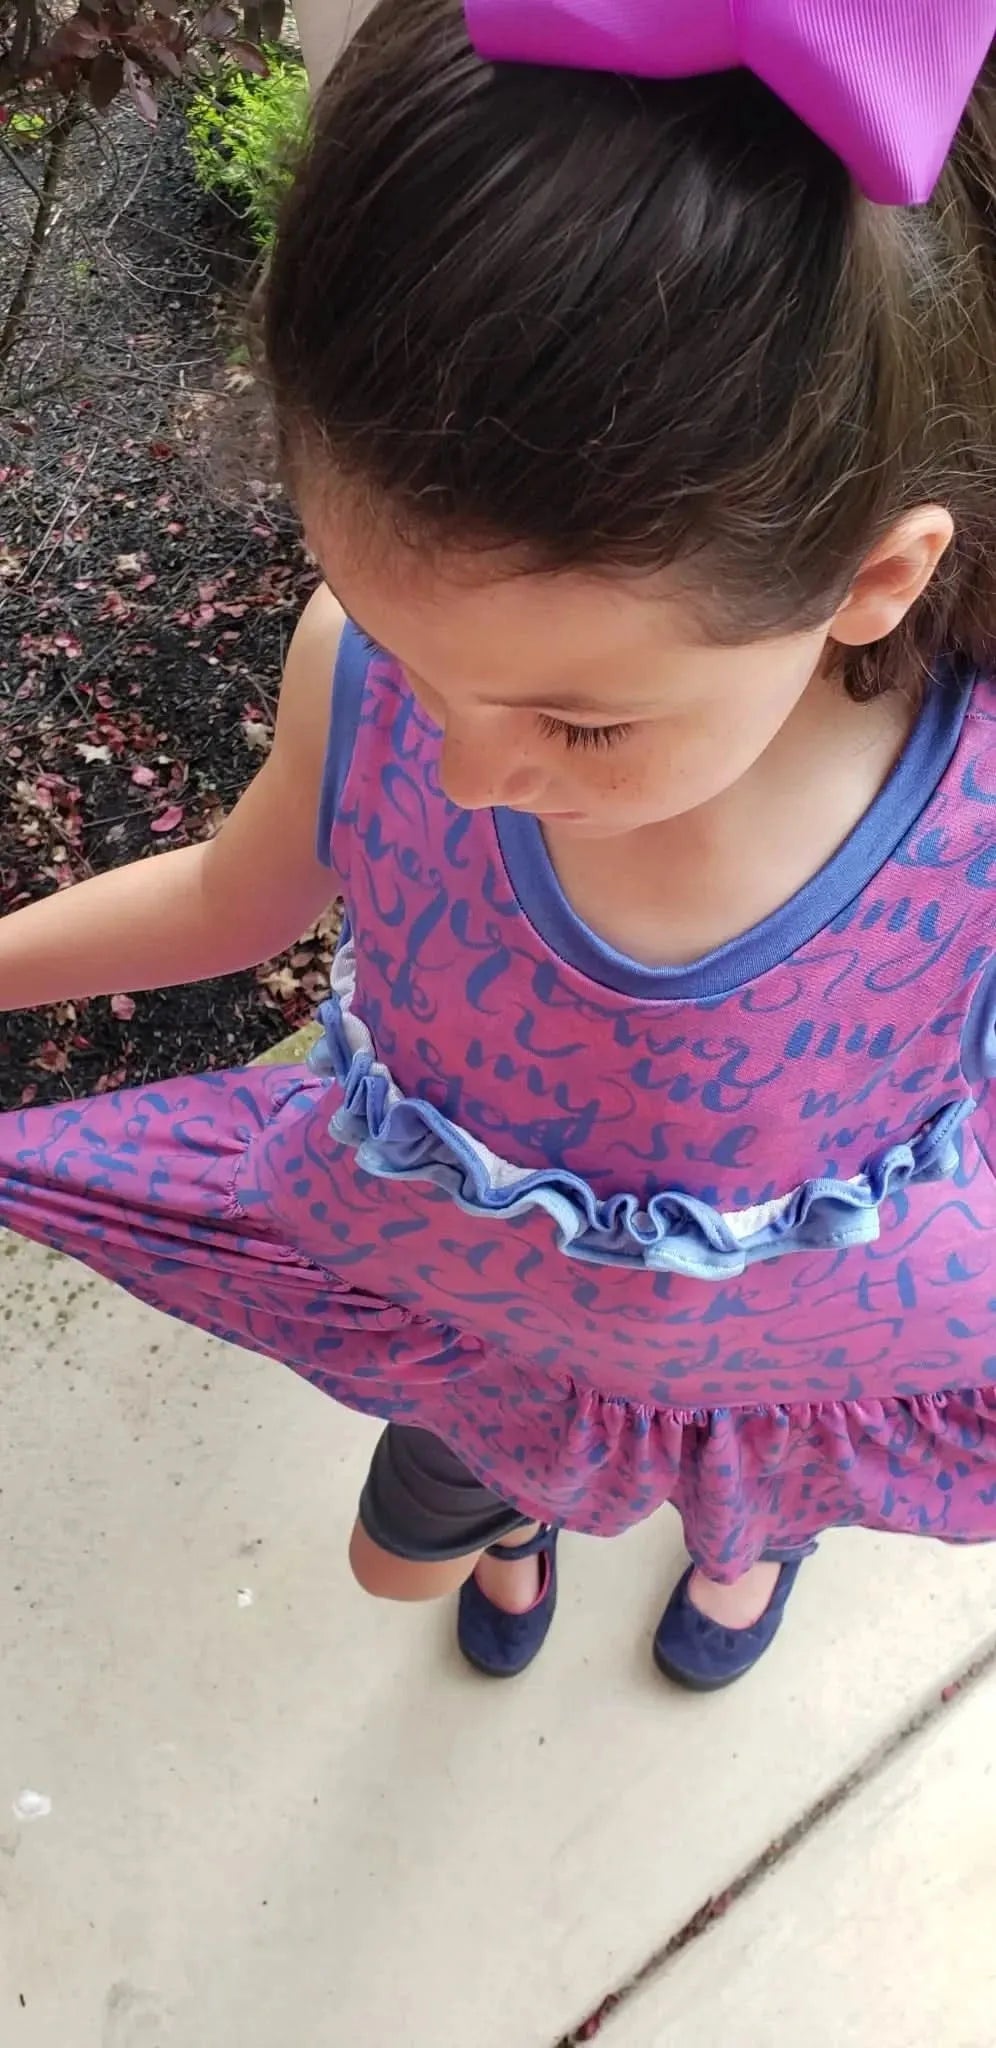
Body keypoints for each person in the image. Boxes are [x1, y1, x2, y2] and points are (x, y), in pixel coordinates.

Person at [2, 0, 996, 1689]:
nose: (461, 774)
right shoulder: (365, 667)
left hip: (789, 1353)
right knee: (420, 1544)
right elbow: (240, 897)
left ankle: (752, 1551)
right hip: (480, 1321)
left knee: (748, 1489)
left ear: (872, 581)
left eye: (579, 724)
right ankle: (525, 1511)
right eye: (418, 662)